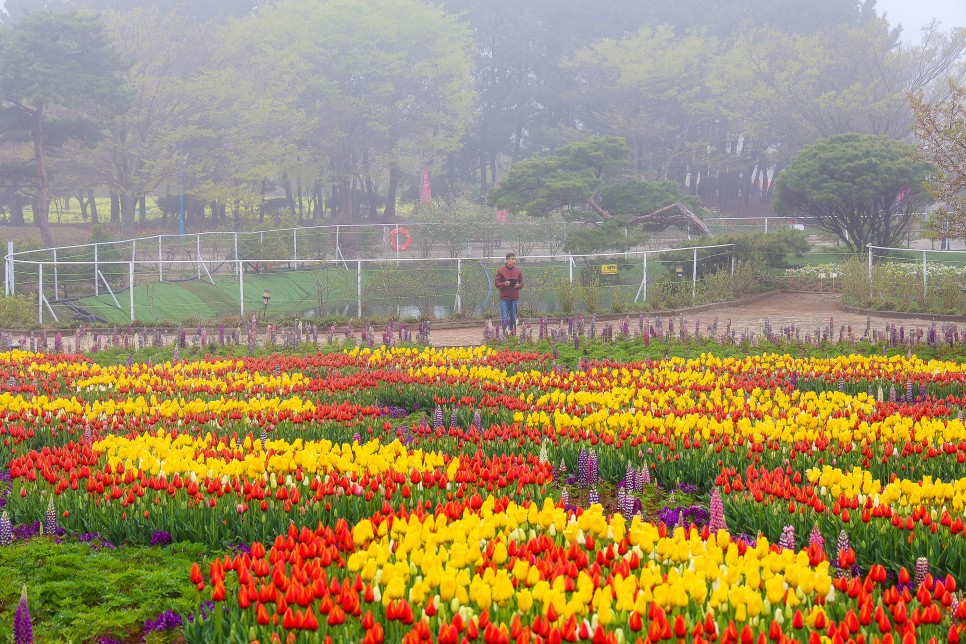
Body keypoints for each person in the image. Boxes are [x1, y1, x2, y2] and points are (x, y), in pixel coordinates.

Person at [495, 252, 523, 335]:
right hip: (504, 298)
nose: (514, 261)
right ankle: (505, 333)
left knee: (513, 318)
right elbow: (497, 284)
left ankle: (513, 334)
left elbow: (521, 284)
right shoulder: (501, 271)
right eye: (512, 259)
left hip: (514, 298)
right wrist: (504, 283)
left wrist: (518, 285)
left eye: (515, 259)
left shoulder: (518, 271)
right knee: (504, 317)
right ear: (507, 260)